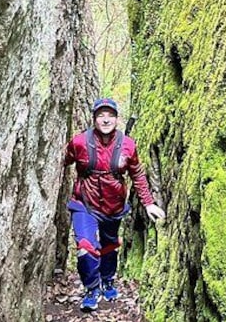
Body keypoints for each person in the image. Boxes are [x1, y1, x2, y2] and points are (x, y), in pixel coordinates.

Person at [64, 97, 166, 312]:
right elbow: (62, 160)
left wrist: (148, 204)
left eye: (110, 115)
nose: (105, 119)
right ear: (94, 119)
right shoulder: (80, 142)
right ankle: (92, 288)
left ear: (117, 119)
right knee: (85, 246)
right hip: (85, 204)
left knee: (109, 245)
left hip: (114, 205)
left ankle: (108, 279)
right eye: (101, 115)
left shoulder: (128, 145)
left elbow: (137, 174)